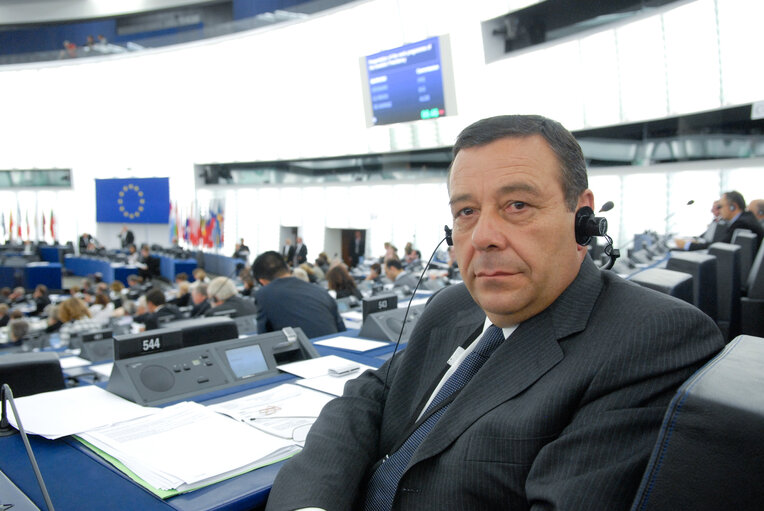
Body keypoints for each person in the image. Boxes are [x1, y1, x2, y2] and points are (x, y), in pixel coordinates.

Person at [265, 114, 723, 511]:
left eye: (517, 205)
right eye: (466, 211)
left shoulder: (652, 340)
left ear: (582, 217)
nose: (483, 235)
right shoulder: (453, 306)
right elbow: (367, 398)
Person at [252, 251, 345, 339]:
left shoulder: (264, 294)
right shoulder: (321, 291)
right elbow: (341, 329)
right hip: (336, 351)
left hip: (304, 354)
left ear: (262, 281)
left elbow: (263, 338)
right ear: (288, 269)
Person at [680, 191, 764, 251]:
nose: (718, 210)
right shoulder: (745, 219)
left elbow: (719, 247)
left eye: (720, 206)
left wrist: (687, 245)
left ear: (733, 207)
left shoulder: (742, 224)